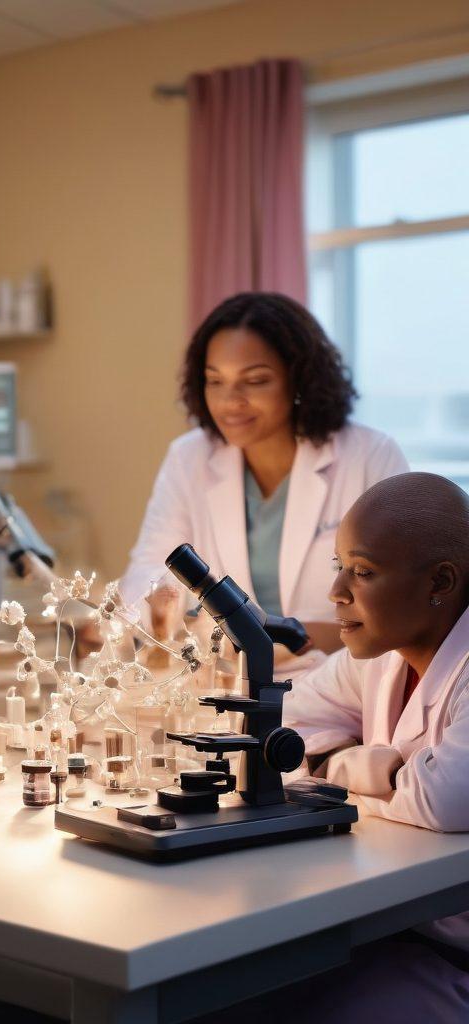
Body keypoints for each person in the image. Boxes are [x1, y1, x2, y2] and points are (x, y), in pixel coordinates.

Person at [219, 471, 469, 1023]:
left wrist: (334, 769)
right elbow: (272, 728)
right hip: (394, 932)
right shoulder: (381, 657)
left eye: (363, 572)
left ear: (441, 581)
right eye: (340, 567)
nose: (337, 593)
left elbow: (447, 799)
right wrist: (365, 765)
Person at [119, 292, 407, 661]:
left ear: (299, 379)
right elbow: (147, 570)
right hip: (224, 679)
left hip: (343, 677)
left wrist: (274, 640)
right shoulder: (188, 457)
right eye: (215, 381)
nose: (230, 400)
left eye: (255, 381)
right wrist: (158, 601)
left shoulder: (369, 455)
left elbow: (397, 601)